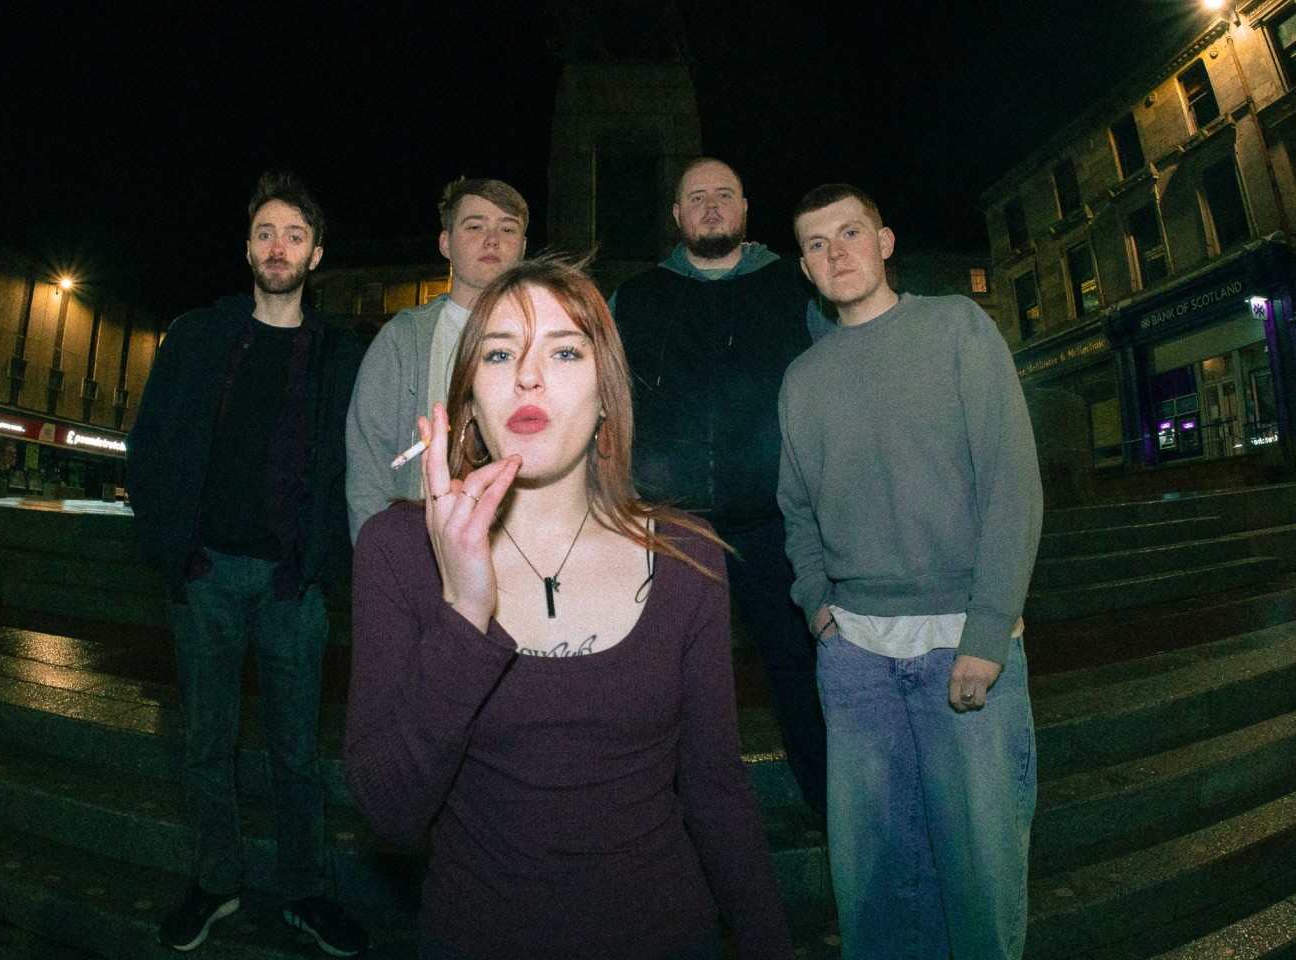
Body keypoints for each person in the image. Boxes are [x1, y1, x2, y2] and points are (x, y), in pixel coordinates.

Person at [344, 258, 793, 960]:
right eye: (498, 353)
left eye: (563, 350)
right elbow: (389, 810)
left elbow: (716, 788)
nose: (528, 376)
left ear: (607, 393)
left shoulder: (688, 560)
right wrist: (465, 607)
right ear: (468, 403)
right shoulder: (397, 549)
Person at [779, 184, 1041, 959]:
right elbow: (797, 511)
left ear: (885, 240)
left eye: (850, 232)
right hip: (855, 660)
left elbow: (1011, 483)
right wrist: (818, 611)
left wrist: (989, 630)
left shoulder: (958, 327)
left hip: (963, 643)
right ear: (805, 267)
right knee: (874, 891)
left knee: (982, 881)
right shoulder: (802, 380)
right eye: (818, 245)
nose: (838, 252)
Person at [127, 171, 369, 956]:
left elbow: (355, 464)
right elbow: (149, 445)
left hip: (291, 586)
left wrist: (320, 560)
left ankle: (304, 891)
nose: (278, 247)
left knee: (298, 752)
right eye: (266, 233)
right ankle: (216, 881)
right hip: (205, 579)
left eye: (294, 235)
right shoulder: (198, 335)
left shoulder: (341, 353)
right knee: (207, 742)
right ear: (246, 249)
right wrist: (176, 552)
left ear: (316, 254)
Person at [609, 157, 826, 815]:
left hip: (774, 523)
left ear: (744, 209)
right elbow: (603, 401)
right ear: (676, 216)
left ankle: (831, 809)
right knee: (664, 687)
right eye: (696, 197)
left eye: (723, 195)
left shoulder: (796, 289)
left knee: (795, 671)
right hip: (670, 529)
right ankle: (663, 827)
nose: (710, 206)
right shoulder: (635, 298)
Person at [345, 176, 528, 538]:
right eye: (474, 226)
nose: (492, 239)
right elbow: (368, 466)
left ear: (522, 247)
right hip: (424, 548)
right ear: (445, 243)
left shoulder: (544, 340)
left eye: (507, 228)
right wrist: (386, 564)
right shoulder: (403, 340)